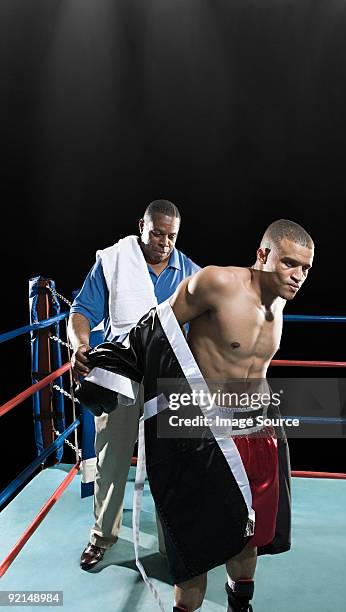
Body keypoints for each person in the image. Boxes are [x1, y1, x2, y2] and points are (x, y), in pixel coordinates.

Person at [77, 219, 314, 611]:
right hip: (206, 437)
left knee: (248, 535)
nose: (298, 276)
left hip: (258, 435)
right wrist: (105, 364)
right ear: (262, 255)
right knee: (196, 550)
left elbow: (257, 374)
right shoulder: (216, 283)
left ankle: (241, 605)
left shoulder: (280, 303)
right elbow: (153, 329)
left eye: (306, 268)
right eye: (290, 263)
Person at [68, 199, 201, 570]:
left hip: (169, 380)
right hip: (120, 375)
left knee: (171, 463)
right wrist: (81, 344)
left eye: (171, 236)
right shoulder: (113, 261)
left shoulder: (192, 273)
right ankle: (102, 537)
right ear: (141, 225)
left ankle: (171, 541)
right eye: (157, 232)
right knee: (111, 460)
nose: (164, 242)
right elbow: (81, 311)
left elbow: (217, 318)